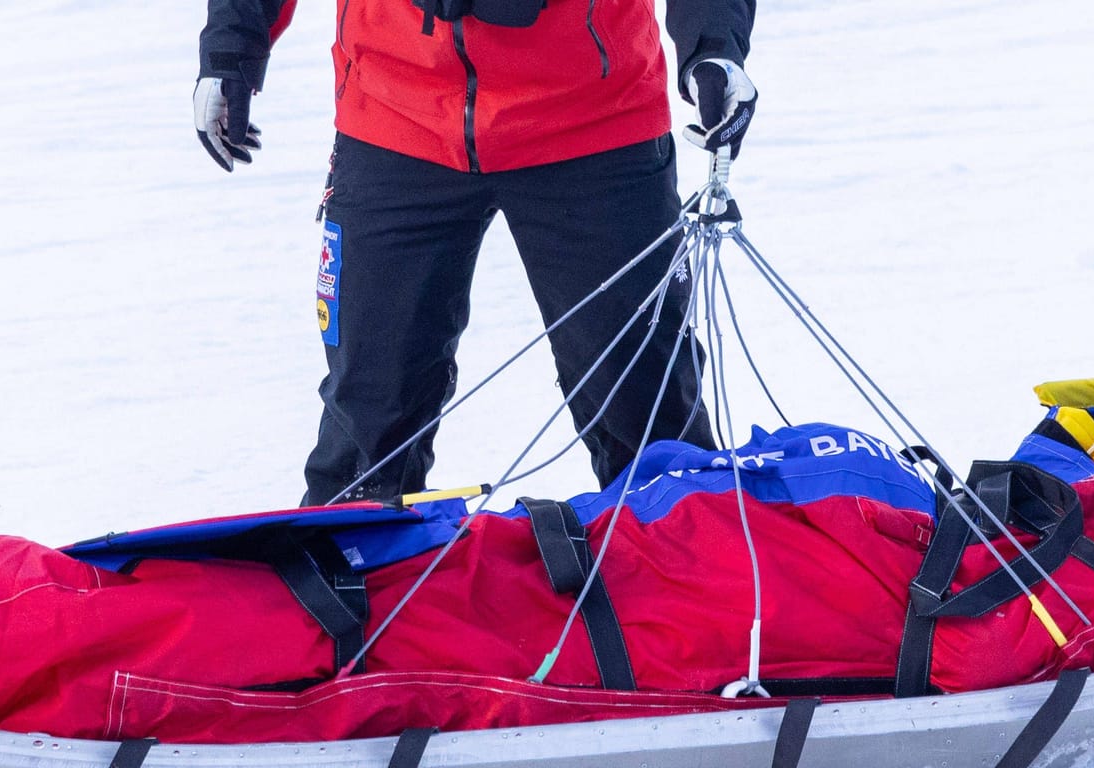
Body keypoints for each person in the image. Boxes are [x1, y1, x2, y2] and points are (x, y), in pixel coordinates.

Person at [195, 1, 759, 504]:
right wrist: (231, 45)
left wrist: (714, 47)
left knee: (642, 400)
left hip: (592, 118)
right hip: (394, 116)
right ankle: (349, 590)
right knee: (369, 422)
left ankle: (692, 576)